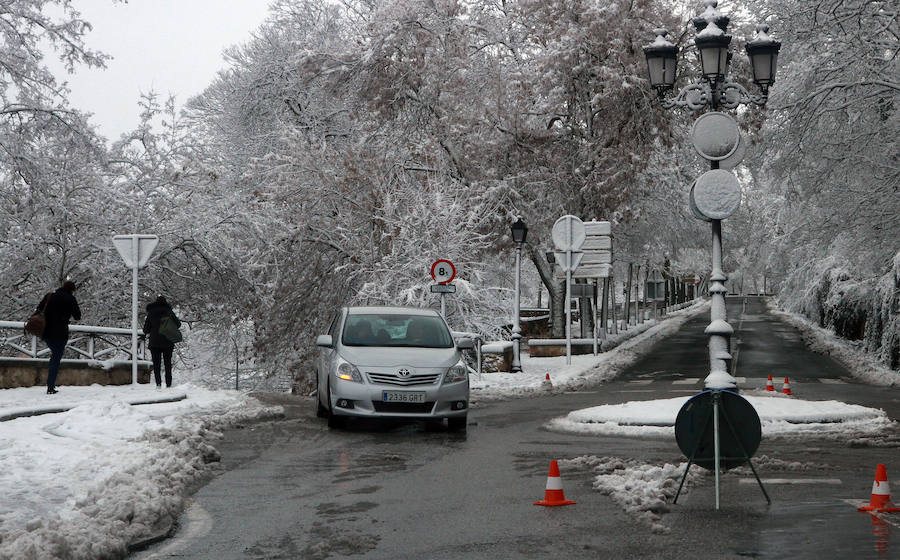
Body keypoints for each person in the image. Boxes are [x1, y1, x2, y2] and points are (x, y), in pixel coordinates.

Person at [36, 280, 81, 394]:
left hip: (46, 332)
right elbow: (77, 316)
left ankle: (50, 385)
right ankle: (50, 386)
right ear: (72, 290)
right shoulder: (71, 299)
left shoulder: (50, 296)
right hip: (60, 333)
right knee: (56, 358)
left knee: (54, 355)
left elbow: (39, 309)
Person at [142, 295, 181, 388]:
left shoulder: (151, 312)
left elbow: (146, 329)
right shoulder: (169, 312)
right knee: (168, 363)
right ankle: (168, 383)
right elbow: (178, 324)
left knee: (156, 364)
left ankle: (158, 383)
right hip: (168, 341)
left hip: (154, 342)